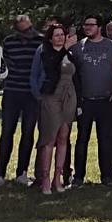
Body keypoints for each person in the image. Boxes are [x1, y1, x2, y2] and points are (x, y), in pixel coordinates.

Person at [68, 15, 112, 186]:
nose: (87, 27)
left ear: (99, 27)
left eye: (91, 25)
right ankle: (78, 177)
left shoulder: (110, 46)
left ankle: (107, 176)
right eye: (85, 24)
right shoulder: (78, 48)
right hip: (85, 101)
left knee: (105, 139)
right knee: (82, 139)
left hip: (106, 100)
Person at [0, 15, 40, 188]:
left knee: (28, 132)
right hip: (13, 90)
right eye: (26, 30)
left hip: (31, 93)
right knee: (7, 131)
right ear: (17, 31)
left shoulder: (39, 41)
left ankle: (22, 172)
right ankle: (0, 172)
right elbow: (8, 65)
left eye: (31, 28)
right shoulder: (9, 42)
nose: (30, 32)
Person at [30, 24, 77, 195]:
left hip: (69, 96)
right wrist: (38, 96)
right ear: (50, 38)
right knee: (49, 138)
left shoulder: (70, 54)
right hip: (51, 96)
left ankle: (58, 177)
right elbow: (45, 70)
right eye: (56, 35)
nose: (60, 37)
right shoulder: (44, 53)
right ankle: (45, 180)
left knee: (63, 137)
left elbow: (75, 75)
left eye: (62, 35)